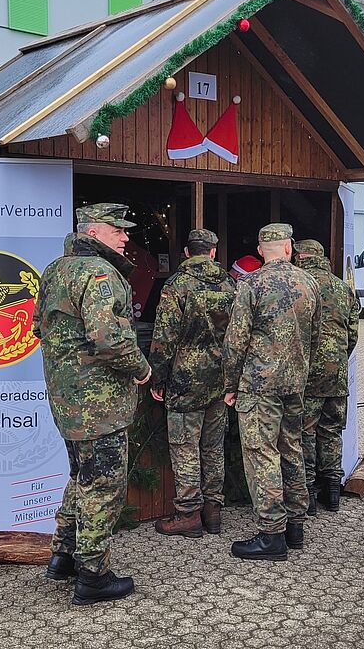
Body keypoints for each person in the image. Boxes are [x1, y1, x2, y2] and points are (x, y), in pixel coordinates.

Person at [36, 202, 153, 606]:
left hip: (67, 400)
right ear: (95, 232)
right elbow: (109, 339)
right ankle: (93, 576)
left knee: (81, 476)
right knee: (103, 486)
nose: (125, 238)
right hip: (99, 404)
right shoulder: (101, 273)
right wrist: (142, 370)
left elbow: (40, 328)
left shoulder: (56, 269)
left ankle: (63, 556)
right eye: (118, 231)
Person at [222, 223, 320, 561]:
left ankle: (271, 533)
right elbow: (315, 336)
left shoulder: (251, 283)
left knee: (261, 454)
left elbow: (235, 340)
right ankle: (295, 525)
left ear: (262, 251)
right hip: (295, 383)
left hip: (259, 385)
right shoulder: (309, 282)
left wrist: (230, 385)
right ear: (289, 248)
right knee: (291, 448)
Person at [148, 228, 237, 538]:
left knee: (185, 447)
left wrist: (158, 376)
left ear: (187, 253)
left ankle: (188, 515)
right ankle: (213, 511)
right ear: (213, 252)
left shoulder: (178, 285)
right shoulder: (230, 284)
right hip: (219, 380)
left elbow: (164, 336)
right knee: (213, 447)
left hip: (185, 381)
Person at [292, 238, 360, 515]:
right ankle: (332, 492)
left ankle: (307, 495)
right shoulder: (343, 288)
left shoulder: (300, 285)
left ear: (300, 257)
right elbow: (353, 333)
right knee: (331, 431)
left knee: (305, 432)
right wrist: (338, 358)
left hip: (308, 374)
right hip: (337, 373)